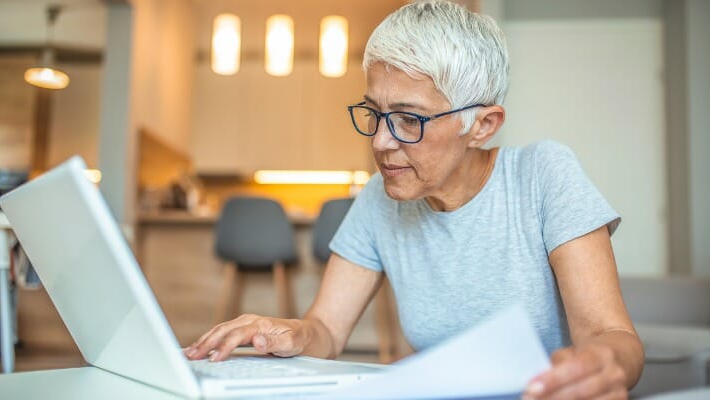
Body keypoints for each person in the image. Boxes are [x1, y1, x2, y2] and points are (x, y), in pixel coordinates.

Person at [185, 1, 644, 398]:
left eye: (409, 119)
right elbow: (326, 329)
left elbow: (611, 335)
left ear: (482, 125)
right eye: (375, 113)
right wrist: (287, 332)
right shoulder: (379, 198)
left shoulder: (543, 175)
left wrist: (602, 364)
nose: (382, 141)